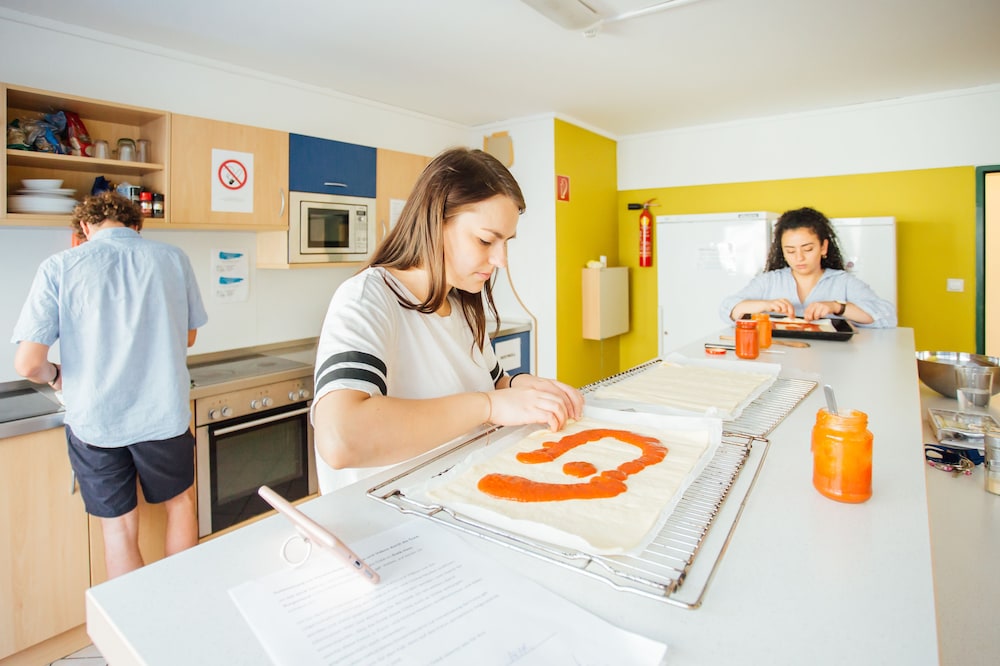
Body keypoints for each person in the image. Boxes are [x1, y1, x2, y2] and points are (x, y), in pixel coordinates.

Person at [312, 147, 584, 493]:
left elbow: (493, 384)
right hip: (388, 526)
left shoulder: (460, 304)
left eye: (506, 243)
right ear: (435, 220)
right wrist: (489, 406)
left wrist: (520, 388)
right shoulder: (369, 298)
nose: (500, 259)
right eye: (486, 240)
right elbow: (341, 438)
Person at [11, 192, 208, 579]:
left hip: (96, 421)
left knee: (117, 527)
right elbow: (188, 339)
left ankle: (132, 629)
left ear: (84, 227)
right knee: (181, 504)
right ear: (137, 225)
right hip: (162, 414)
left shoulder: (60, 266)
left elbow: (28, 363)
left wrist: (56, 375)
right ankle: (185, 610)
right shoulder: (172, 258)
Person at [719, 207, 897, 327]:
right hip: (779, 359)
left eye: (808, 249)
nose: (799, 258)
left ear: (823, 247)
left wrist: (837, 307)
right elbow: (728, 309)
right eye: (790, 251)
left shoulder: (842, 282)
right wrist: (766, 304)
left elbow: (888, 317)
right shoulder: (770, 281)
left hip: (832, 362)